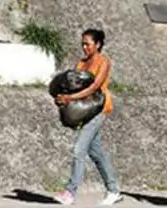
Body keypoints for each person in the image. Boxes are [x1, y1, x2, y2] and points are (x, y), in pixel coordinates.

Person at [54, 29, 122, 206]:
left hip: (98, 109)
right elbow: (75, 85)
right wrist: (64, 98)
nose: (84, 47)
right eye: (82, 44)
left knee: (79, 149)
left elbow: (94, 87)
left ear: (98, 44)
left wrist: (70, 98)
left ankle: (70, 191)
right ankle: (113, 190)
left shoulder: (103, 62)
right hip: (83, 110)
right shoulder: (81, 62)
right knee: (96, 152)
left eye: (88, 44)